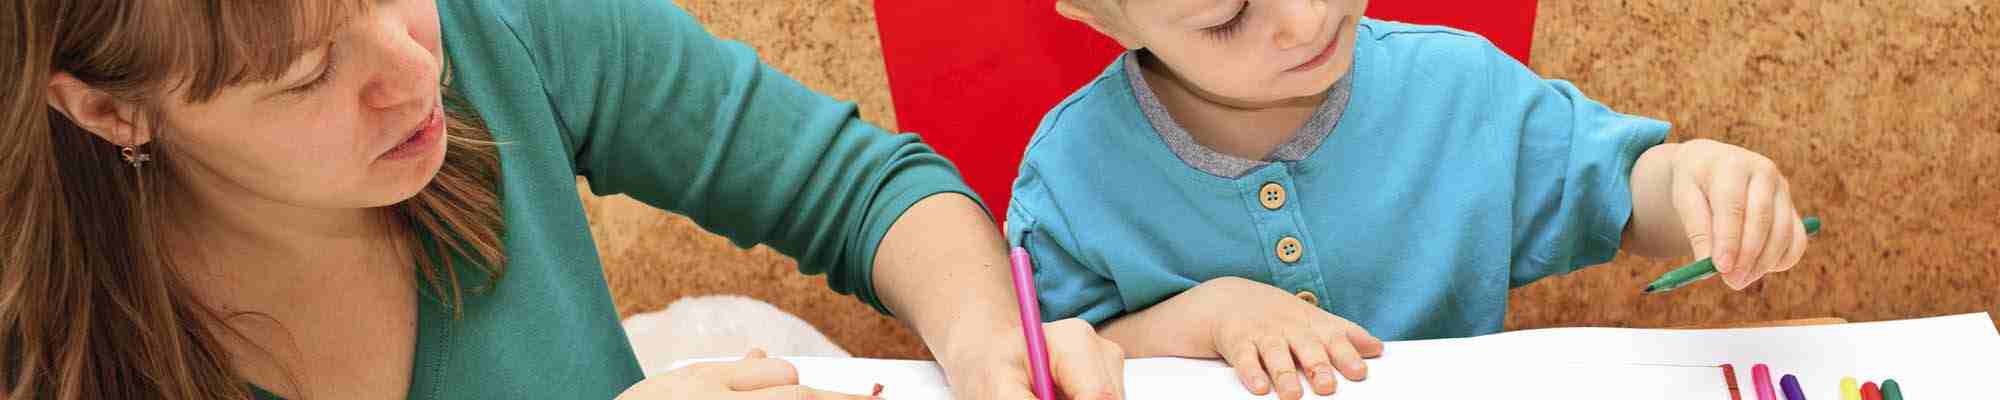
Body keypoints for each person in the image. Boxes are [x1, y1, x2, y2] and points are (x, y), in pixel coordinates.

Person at [0, 1, 1127, 399]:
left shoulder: (496, 29)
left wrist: (987, 348)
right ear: (112, 113)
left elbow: (863, 188)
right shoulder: (39, 349)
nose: (409, 65)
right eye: (305, 76)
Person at [1009, 1, 1811, 399]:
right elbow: (1053, 361)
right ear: (1097, 13)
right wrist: (1204, 317)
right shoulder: (1070, 176)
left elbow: (1621, 197)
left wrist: (1696, 181)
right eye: (1224, 15)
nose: (1305, 16)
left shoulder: (1460, 91)